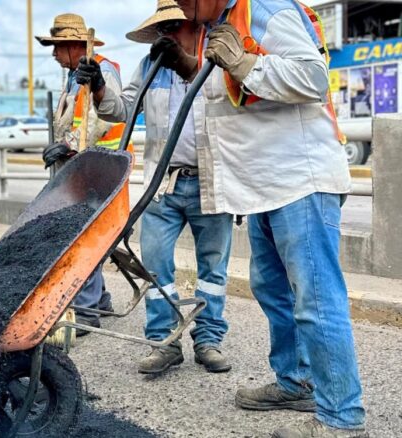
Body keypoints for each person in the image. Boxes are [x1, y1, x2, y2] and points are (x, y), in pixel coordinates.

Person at [158, 0, 367, 436]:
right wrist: (191, 66)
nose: (179, 4)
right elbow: (229, 94)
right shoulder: (217, 23)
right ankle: (296, 384)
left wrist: (243, 62)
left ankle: (341, 420)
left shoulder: (264, 9)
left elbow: (311, 78)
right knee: (274, 291)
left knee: (316, 299)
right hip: (264, 187)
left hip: (300, 181)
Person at [86, 0, 233, 375]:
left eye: (173, 27)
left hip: (211, 183)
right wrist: (100, 88)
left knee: (212, 271)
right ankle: (163, 341)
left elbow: (234, 105)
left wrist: (186, 64)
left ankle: (208, 339)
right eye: (162, 29)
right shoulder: (150, 67)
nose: (166, 35)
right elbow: (122, 109)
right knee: (155, 266)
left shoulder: (216, 59)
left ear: (194, 25)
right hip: (163, 184)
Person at [36, 13, 124, 334]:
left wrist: (68, 144)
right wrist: (60, 145)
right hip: (79, 171)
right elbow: (71, 121)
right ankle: (99, 299)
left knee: (84, 240)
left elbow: (103, 120)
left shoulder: (102, 71)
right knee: (80, 236)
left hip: (100, 170)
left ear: (74, 46)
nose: (53, 54)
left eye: (57, 47)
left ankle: (86, 311)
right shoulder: (73, 78)